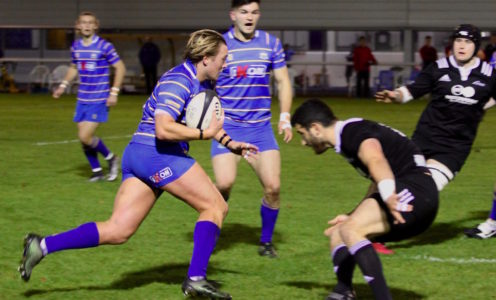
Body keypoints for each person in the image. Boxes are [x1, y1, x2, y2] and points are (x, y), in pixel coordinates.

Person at [18, 29, 258, 299]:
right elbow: (163, 129)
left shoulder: (204, 85)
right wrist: (206, 135)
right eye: (222, 59)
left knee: (119, 230)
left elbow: (208, 125)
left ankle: (42, 245)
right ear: (205, 58)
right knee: (215, 206)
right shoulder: (179, 81)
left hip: (142, 154)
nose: (225, 64)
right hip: (156, 153)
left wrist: (230, 143)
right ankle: (195, 279)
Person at [290, 99, 438, 300]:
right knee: (339, 232)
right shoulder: (349, 135)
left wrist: (388, 197)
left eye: (302, 133)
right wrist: (352, 214)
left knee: (351, 229)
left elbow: (376, 158)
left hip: (415, 193)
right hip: (411, 191)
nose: (303, 142)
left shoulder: (352, 133)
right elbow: (377, 176)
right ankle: (343, 292)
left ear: (315, 128)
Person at [375, 24, 496, 237]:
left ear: (476, 46)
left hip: (454, 148)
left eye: (468, 42)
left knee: (424, 190)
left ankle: (386, 231)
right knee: (395, 182)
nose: (462, 46)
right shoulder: (438, 68)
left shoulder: (489, 74)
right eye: (458, 41)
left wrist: (480, 106)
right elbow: (413, 90)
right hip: (424, 139)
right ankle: (375, 228)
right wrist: (395, 96)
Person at [211, 0, 293, 258]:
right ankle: (209, 231)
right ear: (233, 15)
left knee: (273, 188)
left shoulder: (270, 43)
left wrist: (285, 117)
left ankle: (266, 242)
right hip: (228, 127)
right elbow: (205, 82)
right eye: (244, 12)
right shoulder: (219, 46)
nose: (249, 17)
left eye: (254, 12)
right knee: (224, 184)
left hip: (260, 128)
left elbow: (283, 80)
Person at [52, 11, 126, 182]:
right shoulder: (76, 46)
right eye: (83, 22)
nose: (86, 25)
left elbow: (120, 68)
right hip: (82, 99)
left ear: (95, 25)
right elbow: (73, 67)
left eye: (90, 22)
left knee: (85, 136)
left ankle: (111, 158)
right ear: (77, 25)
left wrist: (114, 92)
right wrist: (63, 86)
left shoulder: (104, 46)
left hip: (99, 98)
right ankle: (97, 171)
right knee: (84, 138)